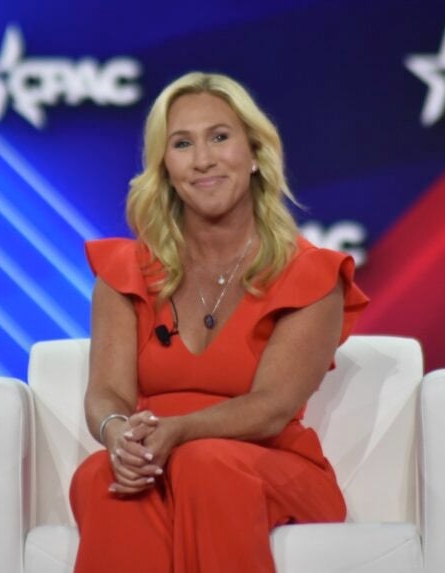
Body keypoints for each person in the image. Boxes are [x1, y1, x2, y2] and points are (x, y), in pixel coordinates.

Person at [69, 71, 369, 572]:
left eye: (220, 137)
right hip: (162, 463)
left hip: (268, 467)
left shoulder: (310, 275)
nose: (203, 159)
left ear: (253, 154)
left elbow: (273, 407)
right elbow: (106, 392)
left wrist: (179, 432)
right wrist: (119, 433)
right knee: (102, 476)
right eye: (182, 143)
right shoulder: (125, 272)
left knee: (206, 464)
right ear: (165, 167)